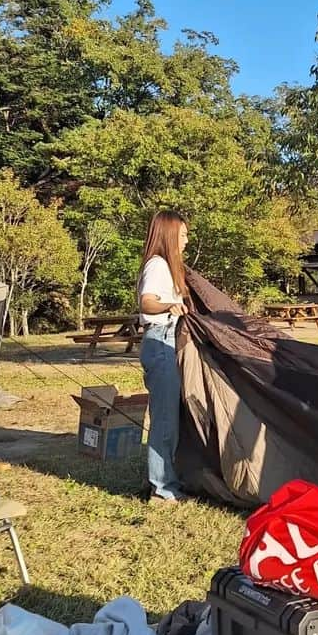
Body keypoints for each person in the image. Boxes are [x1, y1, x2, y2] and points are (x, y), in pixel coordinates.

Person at [137, 210, 191, 504]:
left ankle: (168, 478)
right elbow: (148, 301)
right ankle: (162, 489)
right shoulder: (157, 266)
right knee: (165, 420)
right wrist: (170, 306)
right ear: (170, 235)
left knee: (172, 416)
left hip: (167, 342)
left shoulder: (169, 267)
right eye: (183, 234)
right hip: (160, 342)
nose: (186, 240)